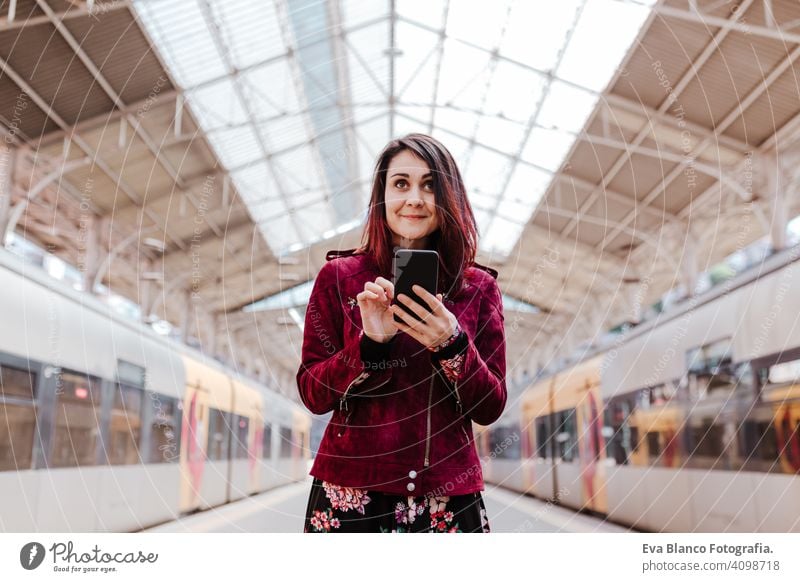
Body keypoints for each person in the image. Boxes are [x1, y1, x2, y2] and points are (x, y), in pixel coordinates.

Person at [296, 133, 506, 533]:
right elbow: (313, 393)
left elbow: (490, 406)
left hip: (448, 493)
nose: (414, 198)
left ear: (449, 198)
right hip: (351, 492)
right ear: (382, 196)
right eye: (401, 183)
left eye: (430, 185)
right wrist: (368, 345)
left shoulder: (477, 288)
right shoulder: (339, 279)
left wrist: (452, 343)